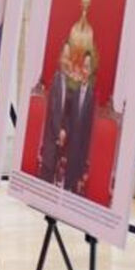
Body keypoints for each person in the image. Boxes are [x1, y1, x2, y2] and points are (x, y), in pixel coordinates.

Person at [40, 41, 72, 183]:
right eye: (64, 56)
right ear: (60, 58)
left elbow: (67, 112)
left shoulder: (68, 83)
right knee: (46, 179)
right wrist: (59, 131)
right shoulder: (56, 80)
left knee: (56, 180)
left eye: (68, 57)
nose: (66, 61)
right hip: (51, 141)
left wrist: (65, 130)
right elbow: (53, 112)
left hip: (61, 142)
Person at [65, 50, 96, 195]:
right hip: (70, 145)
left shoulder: (92, 96)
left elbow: (90, 130)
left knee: (75, 189)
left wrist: (86, 159)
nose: (84, 70)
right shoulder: (75, 91)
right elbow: (68, 116)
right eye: (83, 66)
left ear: (90, 71)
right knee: (66, 184)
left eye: (87, 67)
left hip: (82, 150)